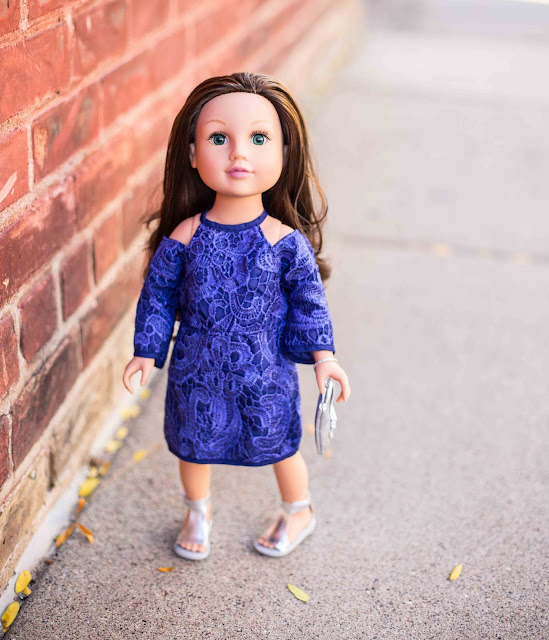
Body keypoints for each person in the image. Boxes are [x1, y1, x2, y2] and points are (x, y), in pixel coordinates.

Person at [122, 71, 351, 561]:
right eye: (219, 138)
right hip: (197, 371)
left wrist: (325, 358)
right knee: (192, 444)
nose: (238, 154)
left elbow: (310, 303)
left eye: (259, 138)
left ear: (284, 153)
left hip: (263, 372)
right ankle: (197, 511)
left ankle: (298, 510)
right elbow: (158, 295)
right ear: (191, 153)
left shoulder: (284, 242)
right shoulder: (186, 236)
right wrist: (146, 349)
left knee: (280, 444)